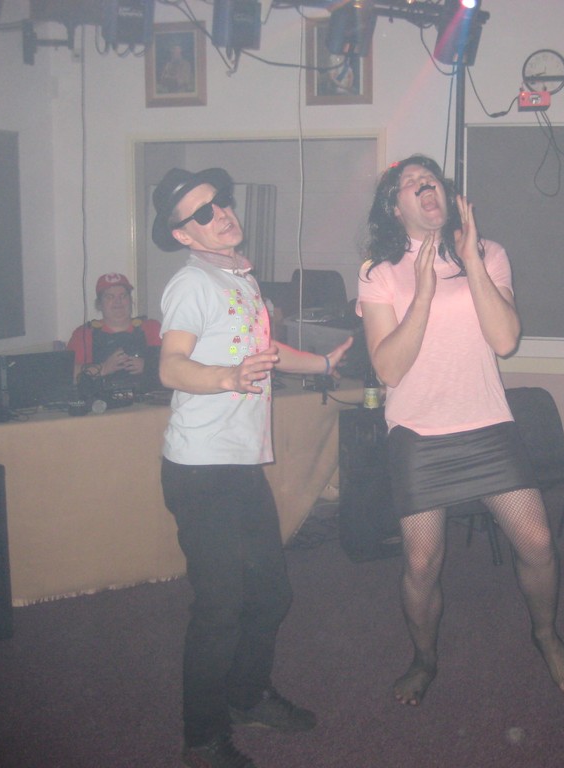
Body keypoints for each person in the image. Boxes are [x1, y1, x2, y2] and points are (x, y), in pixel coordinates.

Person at [356, 154, 564, 706]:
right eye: (410, 183)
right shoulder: (378, 273)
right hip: (418, 435)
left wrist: (470, 258)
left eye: (430, 179)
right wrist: (423, 292)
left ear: (447, 194)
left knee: (538, 542)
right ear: (395, 207)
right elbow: (388, 369)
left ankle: (546, 634)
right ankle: (424, 658)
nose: (424, 186)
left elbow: (505, 340)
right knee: (421, 563)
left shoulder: (489, 253)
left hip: (486, 425)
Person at [151, 166, 353, 768]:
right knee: (220, 607)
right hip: (200, 470)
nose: (221, 214)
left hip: (237, 467)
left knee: (269, 593)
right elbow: (170, 365)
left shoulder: (239, 279)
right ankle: (202, 739)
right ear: (183, 235)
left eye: (220, 202)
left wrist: (324, 364)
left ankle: (246, 696)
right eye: (202, 213)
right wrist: (227, 378)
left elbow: (264, 351)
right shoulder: (192, 284)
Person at [65, 272, 162, 388]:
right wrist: (103, 368)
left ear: (130, 300)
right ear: (100, 303)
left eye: (123, 296)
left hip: (148, 398)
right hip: (101, 398)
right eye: (110, 297)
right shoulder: (84, 333)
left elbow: (174, 363)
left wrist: (148, 367)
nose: (118, 301)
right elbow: (67, 374)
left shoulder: (151, 327)